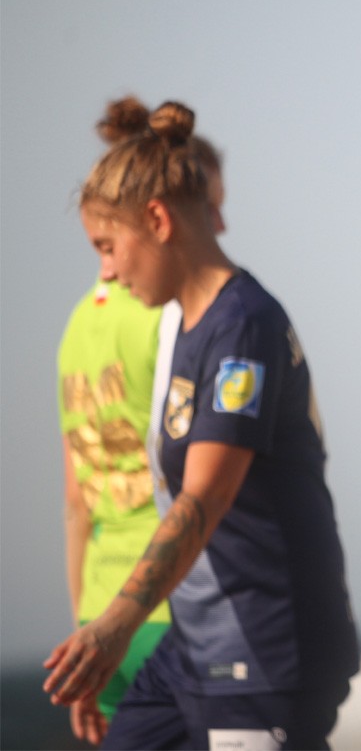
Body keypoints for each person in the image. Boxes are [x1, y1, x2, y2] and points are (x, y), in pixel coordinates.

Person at [44, 100, 359, 750]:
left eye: (109, 246)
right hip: (191, 648)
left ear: (157, 221)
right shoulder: (183, 328)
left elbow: (206, 496)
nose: (108, 271)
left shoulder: (243, 324)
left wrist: (115, 625)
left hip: (264, 648)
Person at [56, 97, 227, 746]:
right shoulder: (169, 312)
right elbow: (206, 481)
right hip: (171, 606)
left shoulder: (74, 328)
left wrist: (87, 632)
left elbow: (77, 502)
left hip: (98, 612)